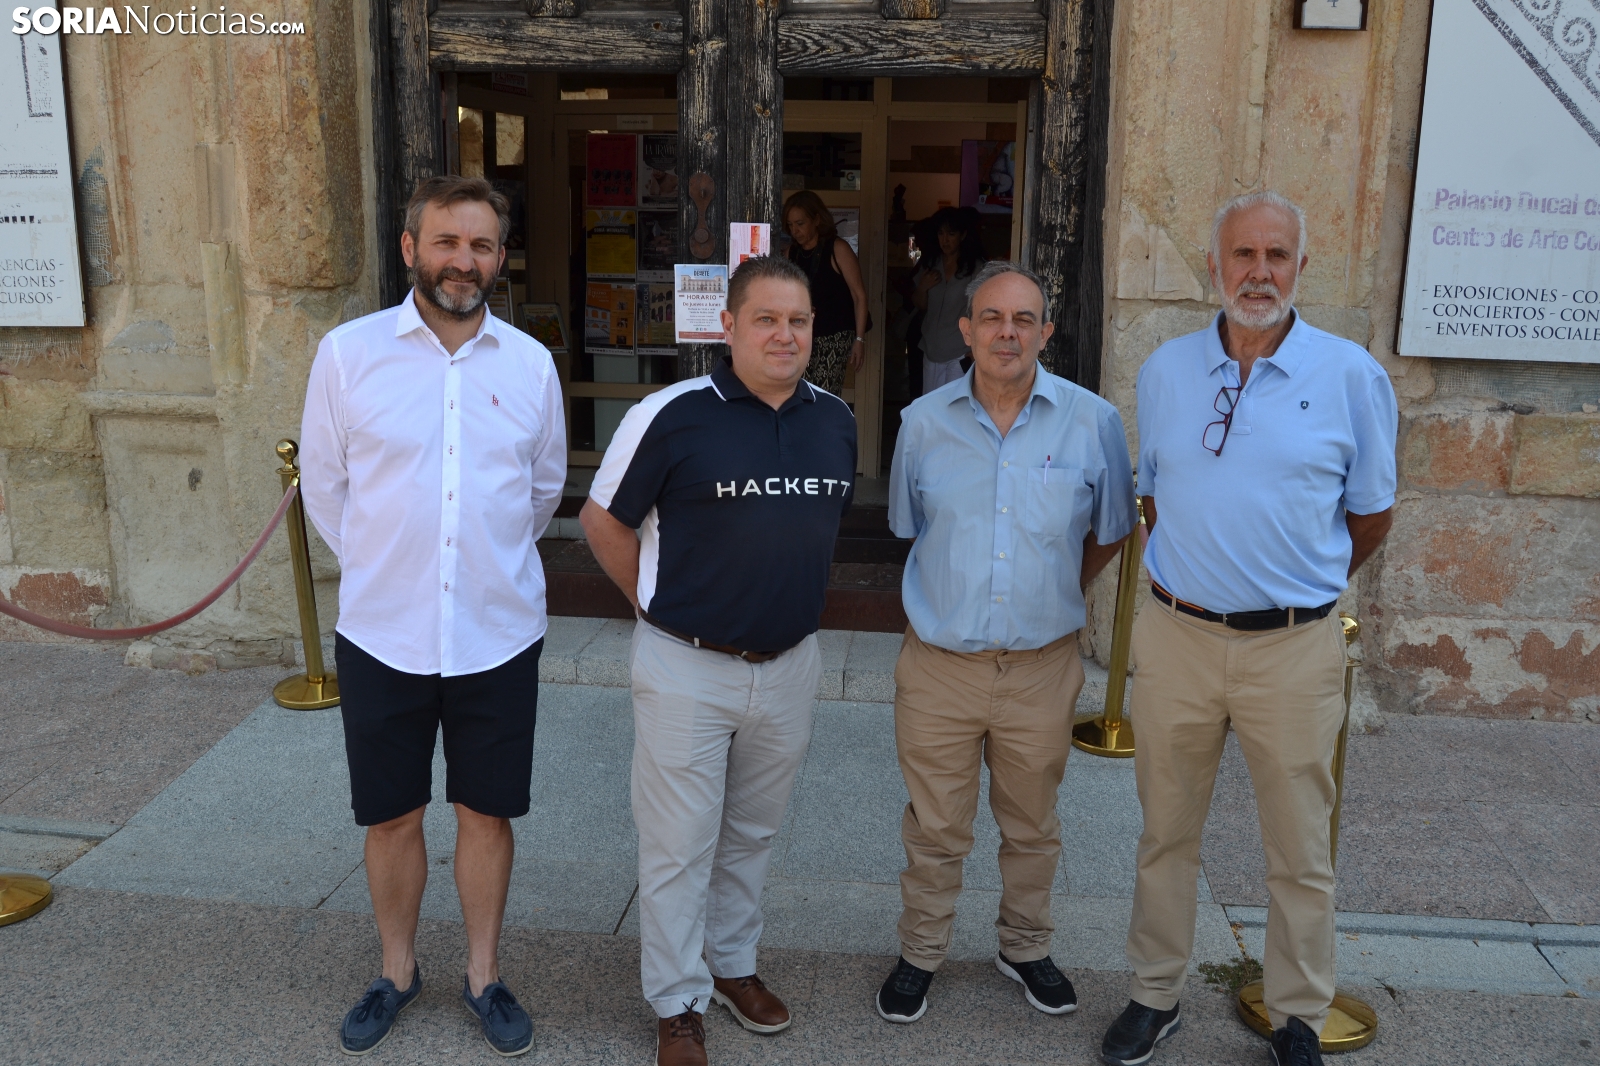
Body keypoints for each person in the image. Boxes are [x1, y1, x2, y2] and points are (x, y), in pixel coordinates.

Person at [1100, 191, 1396, 1066]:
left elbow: (1372, 516)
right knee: (1164, 832)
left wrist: (1296, 585)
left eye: (1276, 255)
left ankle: (1298, 1016)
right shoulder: (1166, 371)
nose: (1258, 272)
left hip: (1294, 649)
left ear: (1302, 267)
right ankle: (1154, 995)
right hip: (1179, 640)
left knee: (1299, 847)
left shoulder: (1349, 376)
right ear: (1215, 265)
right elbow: (1155, 497)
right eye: (1242, 254)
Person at [299, 175, 567, 1058]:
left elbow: (540, 492)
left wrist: (477, 565)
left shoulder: (529, 364)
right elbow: (326, 489)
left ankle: (484, 976)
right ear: (411, 248)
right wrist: (394, 566)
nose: (464, 260)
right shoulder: (348, 355)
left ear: (500, 257)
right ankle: (397, 969)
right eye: (447, 241)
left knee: (487, 814)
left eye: (481, 245)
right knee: (392, 816)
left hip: (497, 632)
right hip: (385, 632)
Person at [580, 255, 857, 1066]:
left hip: (791, 665)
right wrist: (653, 607)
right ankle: (677, 1002)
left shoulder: (836, 420)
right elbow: (602, 522)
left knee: (752, 833)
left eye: (798, 321)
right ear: (728, 326)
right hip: (687, 667)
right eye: (766, 319)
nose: (784, 335)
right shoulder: (672, 414)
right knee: (678, 844)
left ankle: (732, 965)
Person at [877, 260, 1136, 1025]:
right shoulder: (922, 423)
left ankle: (1024, 947)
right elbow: (912, 528)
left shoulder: (1093, 422)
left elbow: (1110, 530)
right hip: (940, 668)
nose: (1007, 332)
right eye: (991, 317)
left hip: (1041, 669)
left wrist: (1051, 590)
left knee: (1032, 825)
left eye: (1024, 319)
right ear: (965, 330)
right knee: (934, 827)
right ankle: (921, 951)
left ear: (1046, 332)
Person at [783, 190, 868, 395]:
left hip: (833, 335)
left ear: (817, 220)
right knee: (796, 393)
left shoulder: (838, 248)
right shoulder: (791, 253)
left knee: (824, 395)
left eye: (800, 223)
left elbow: (859, 296)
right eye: (790, 225)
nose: (795, 231)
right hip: (800, 334)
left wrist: (859, 340)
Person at [912, 206, 985, 392]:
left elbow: (984, 311)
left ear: (962, 235)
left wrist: (976, 348)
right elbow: (920, 305)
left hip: (960, 350)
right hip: (931, 347)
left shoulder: (975, 268)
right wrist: (922, 287)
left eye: (951, 234)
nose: (945, 240)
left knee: (954, 403)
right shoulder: (930, 264)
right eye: (941, 233)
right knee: (931, 403)